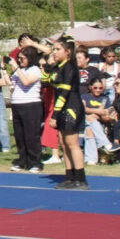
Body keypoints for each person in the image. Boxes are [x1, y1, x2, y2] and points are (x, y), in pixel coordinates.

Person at [49, 38, 89, 189]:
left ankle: (80, 178)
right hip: (63, 107)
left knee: (72, 143)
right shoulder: (59, 66)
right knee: (64, 143)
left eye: (58, 49)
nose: (54, 52)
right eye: (54, 49)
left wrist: (55, 114)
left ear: (68, 52)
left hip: (71, 107)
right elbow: (47, 82)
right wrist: (48, 67)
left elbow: (65, 93)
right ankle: (69, 176)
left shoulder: (70, 67)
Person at [9, 47, 44, 172]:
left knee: (31, 135)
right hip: (17, 104)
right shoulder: (20, 70)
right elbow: (11, 84)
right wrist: (4, 70)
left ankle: (35, 162)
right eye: (18, 58)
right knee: (19, 135)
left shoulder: (35, 70)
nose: (20, 60)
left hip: (31, 105)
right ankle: (22, 160)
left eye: (22, 58)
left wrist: (17, 69)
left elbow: (27, 82)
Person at [81, 78, 120, 165]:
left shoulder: (105, 98)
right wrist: (98, 112)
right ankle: (106, 144)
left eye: (100, 88)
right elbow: (82, 109)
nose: (98, 90)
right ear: (90, 87)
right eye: (95, 88)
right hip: (84, 121)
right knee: (89, 120)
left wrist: (96, 115)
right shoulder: (85, 96)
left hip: (99, 124)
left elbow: (108, 115)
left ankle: (91, 159)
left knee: (89, 128)